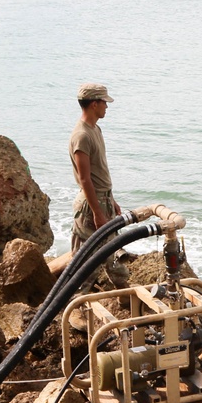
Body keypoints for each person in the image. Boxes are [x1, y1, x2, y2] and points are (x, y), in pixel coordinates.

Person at [69, 82, 129, 291]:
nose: (107, 106)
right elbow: (85, 179)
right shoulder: (82, 136)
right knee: (85, 263)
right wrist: (97, 212)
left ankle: (124, 294)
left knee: (112, 254)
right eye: (104, 102)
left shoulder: (95, 129)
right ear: (94, 104)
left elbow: (98, 172)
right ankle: (75, 307)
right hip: (90, 205)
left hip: (103, 199)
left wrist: (110, 201)